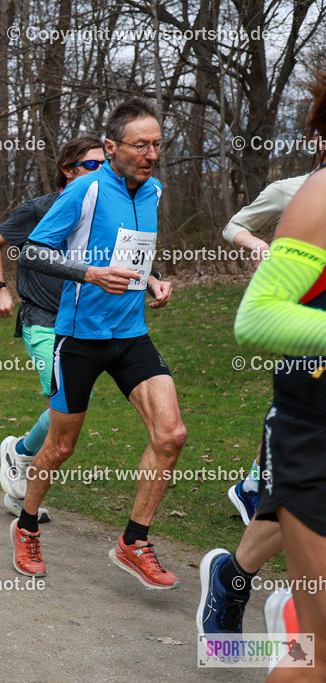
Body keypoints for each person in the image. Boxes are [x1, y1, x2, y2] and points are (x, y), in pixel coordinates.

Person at [12, 97, 185, 589]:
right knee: (60, 446)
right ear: (111, 147)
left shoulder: (152, 192)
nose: (151, 154)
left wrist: (153, 280)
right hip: (79, 337)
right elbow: (34, 251)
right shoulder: (85, 190)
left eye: (157, 144)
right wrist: (89, 274)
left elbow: (134, 250)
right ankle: (26, 526)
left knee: (170, 435)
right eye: (140, 145)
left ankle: (133, 541)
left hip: (131, 336)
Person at [214, 71, 326, 679]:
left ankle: (262, 595)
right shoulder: (306, 191)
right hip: (310, 409)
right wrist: (264, 255)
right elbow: (255, 315)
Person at [0, 135, 105, 522]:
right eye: (91, 165)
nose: (100, 172)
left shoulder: (102, 211)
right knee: (61, 404)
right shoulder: (39, 209)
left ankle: (18, 479)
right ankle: (19, 452)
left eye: (105, 164)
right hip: (41, 320)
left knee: (66, 407)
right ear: (68, 171)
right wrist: (0, 289)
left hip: (81, 322)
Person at [220, 142, 326, 525]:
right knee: (300, 407)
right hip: (300, 314)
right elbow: (234, 224)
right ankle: (255, 489)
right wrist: (255, 243)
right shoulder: (296, 188)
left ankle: (253, 486)